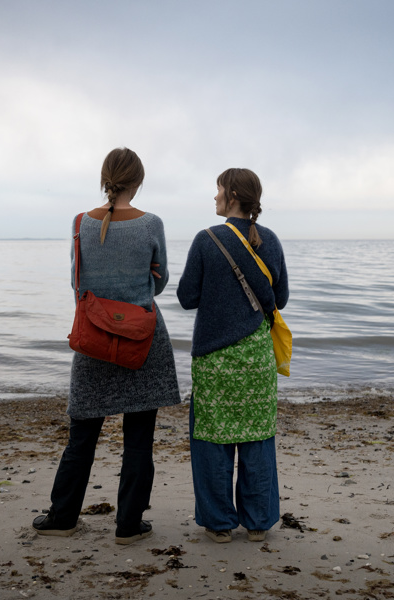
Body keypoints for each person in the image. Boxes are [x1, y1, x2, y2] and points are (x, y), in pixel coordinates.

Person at [32, 147, 181, 545]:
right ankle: (128, 526)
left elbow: (77, 283)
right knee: (138, 439)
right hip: (142, 340)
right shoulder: (151, 224)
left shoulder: (81, 222)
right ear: (139, 181)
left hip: (94, 340)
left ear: (105, 178)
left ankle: (63, 517)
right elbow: (161, 280)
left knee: (81, 435)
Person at [176, 167, 289, 544]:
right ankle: (258, 523)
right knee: (257, 436)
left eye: (218, 189)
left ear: (233, 195)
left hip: (213, 357)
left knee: (212, 438)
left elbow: (187, 297)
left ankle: (219, 524)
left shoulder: (206, 240)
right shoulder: (269, 240)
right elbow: (281, 298)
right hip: (257, 354)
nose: (215, 197)